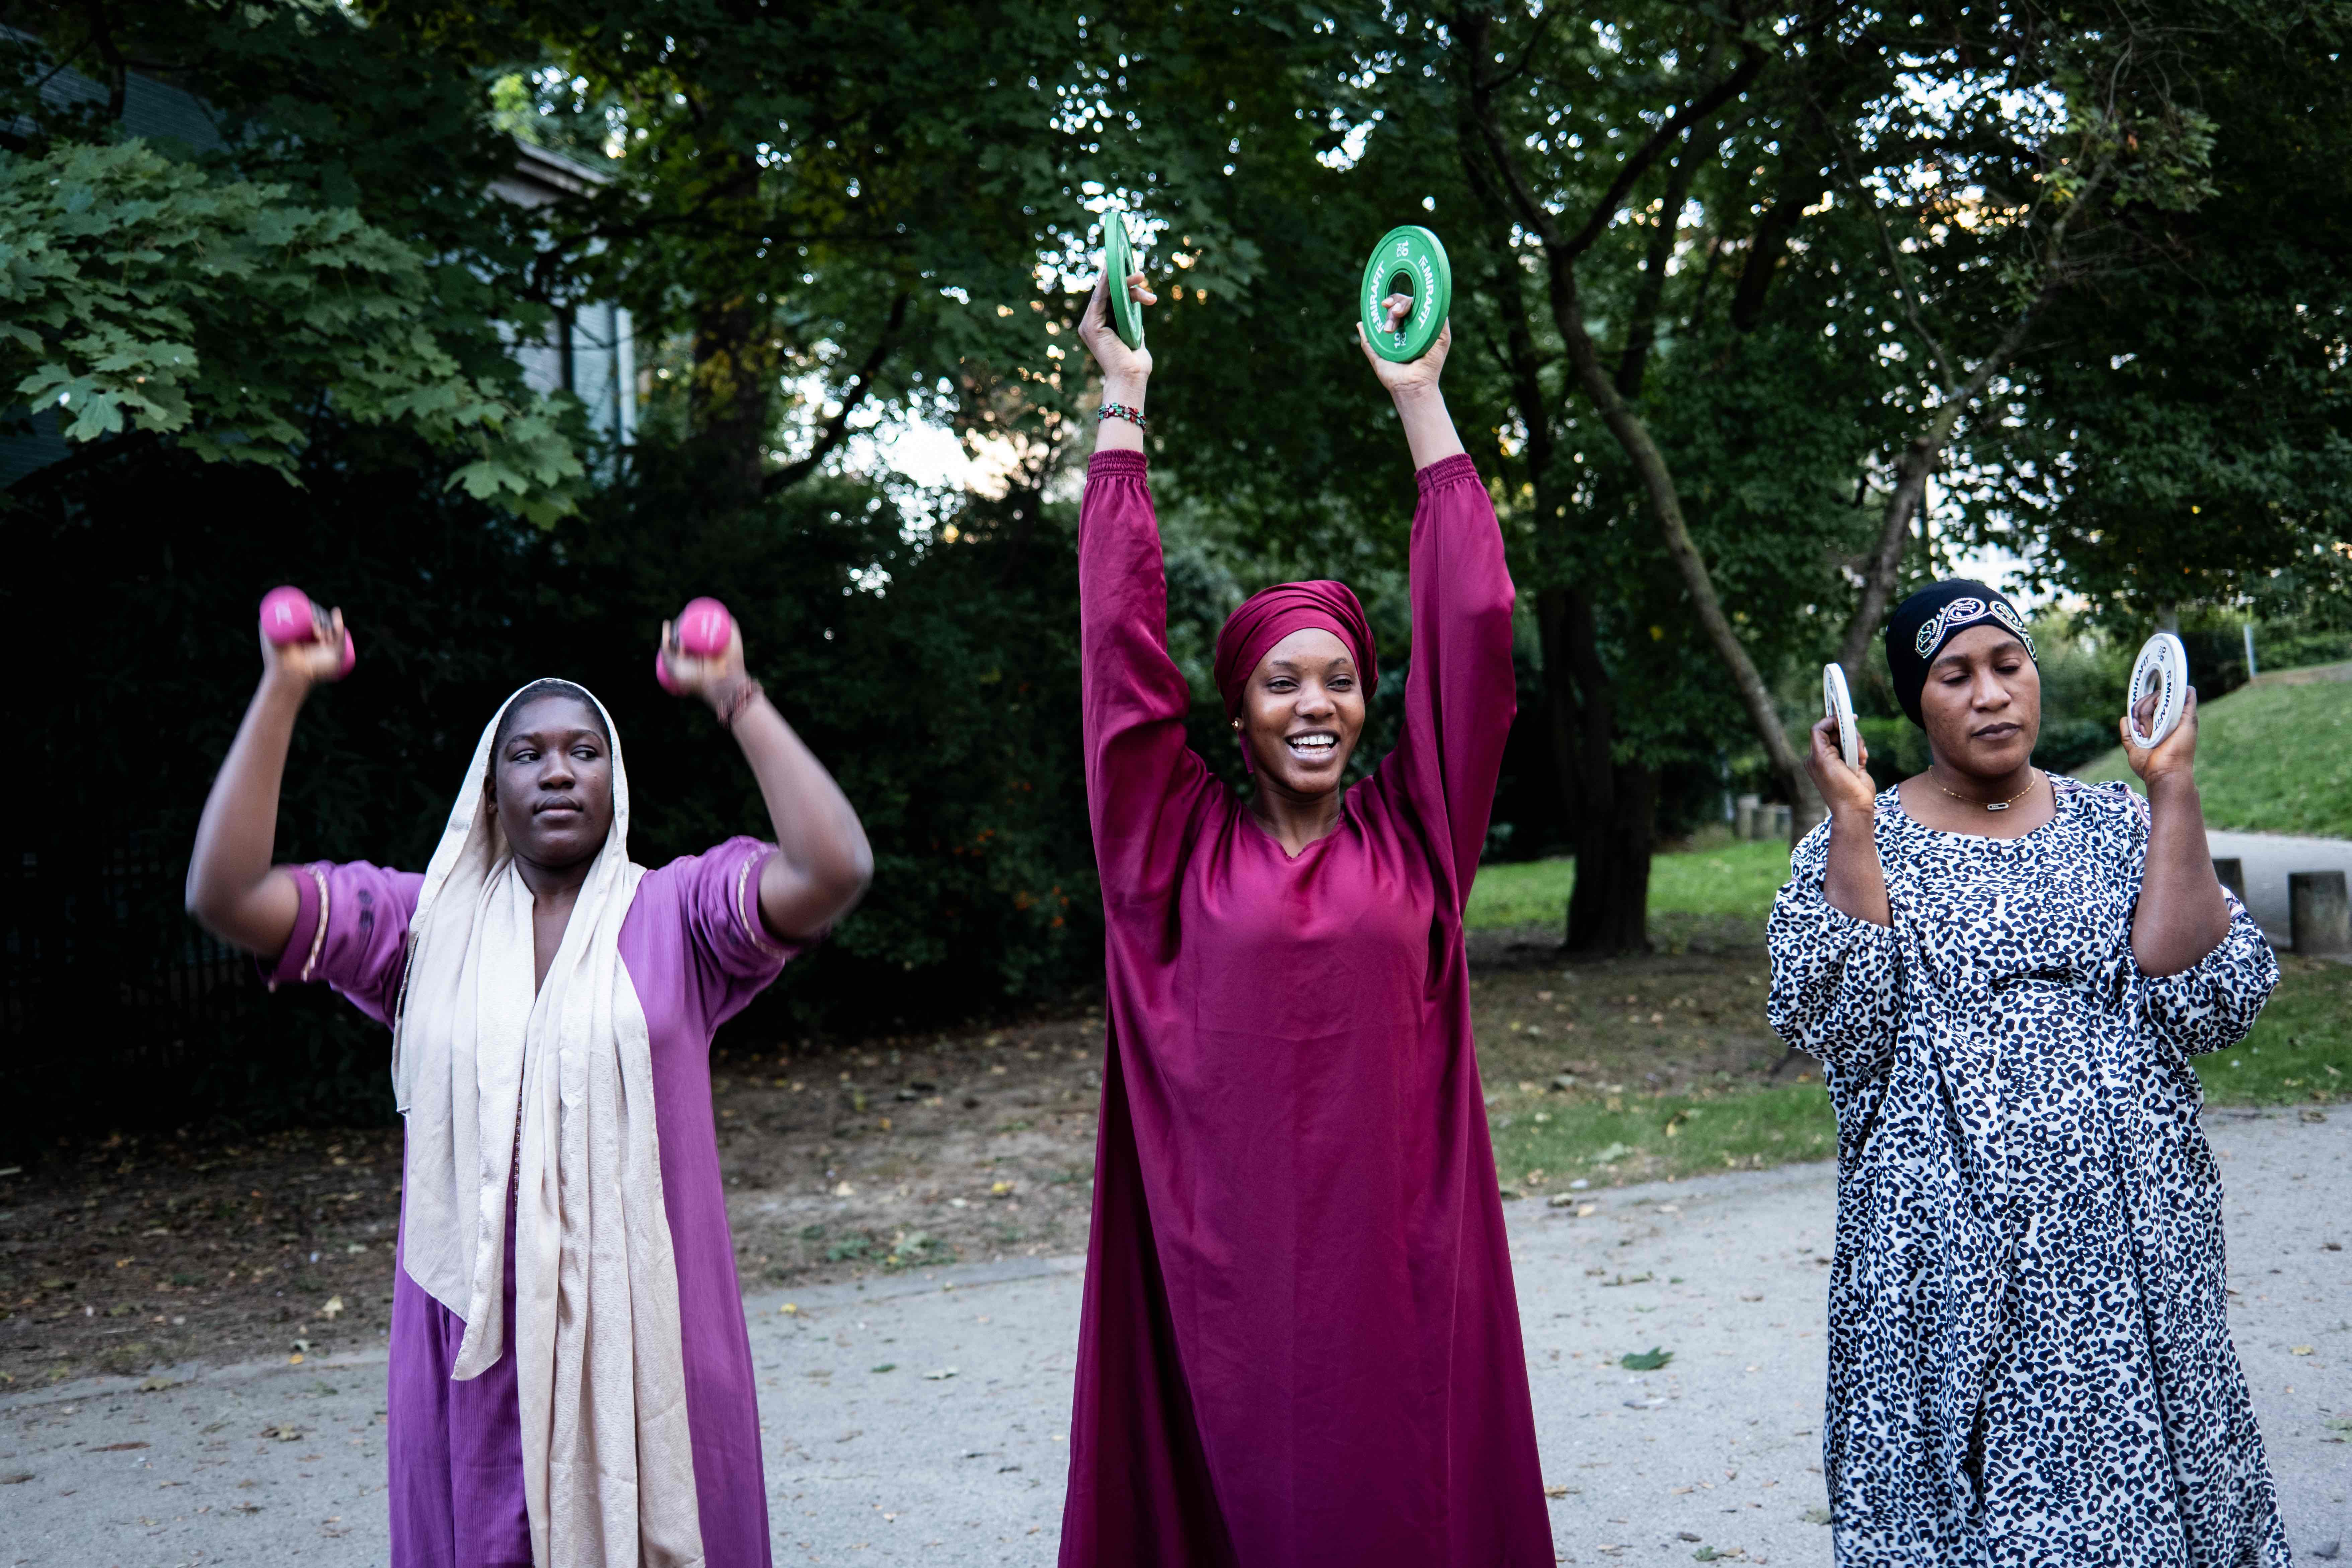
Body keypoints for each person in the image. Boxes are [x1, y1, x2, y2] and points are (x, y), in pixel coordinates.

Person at [184, 606, 872, 1568]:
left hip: (654, 1355)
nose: (557, 769)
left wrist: (732, 693)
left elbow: (835, 866)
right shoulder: (418, 931)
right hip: (473, 1361)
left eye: (584, 750)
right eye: (529, 754)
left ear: (613, 780)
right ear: (490, 790)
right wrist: (283, 685)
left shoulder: (679, 914)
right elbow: (224, 895)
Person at [1055, 272, 1549, 1565]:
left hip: (1393, 1259)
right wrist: (1123, 400)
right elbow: (1117, 654)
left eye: (1340, 677)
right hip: (1220, 1273)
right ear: (1239, 710)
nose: (1314, 702)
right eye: (1282, 681)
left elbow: (1477, 623)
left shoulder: (1417, 831)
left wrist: (1422, 401)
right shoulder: (1168, 849)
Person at [1767, 580, 2290, 1565]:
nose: (1989, 694)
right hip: (1938, 1267)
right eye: (1954, 675)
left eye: (2008, 666)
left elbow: (2206, 996)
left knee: (2142, 1502)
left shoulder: (2113, 822)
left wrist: (2171, 784)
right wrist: (1849, 818)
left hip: (2127, 1255)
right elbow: (1843, 1016)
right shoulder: (1858, 838)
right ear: (1914, 701)